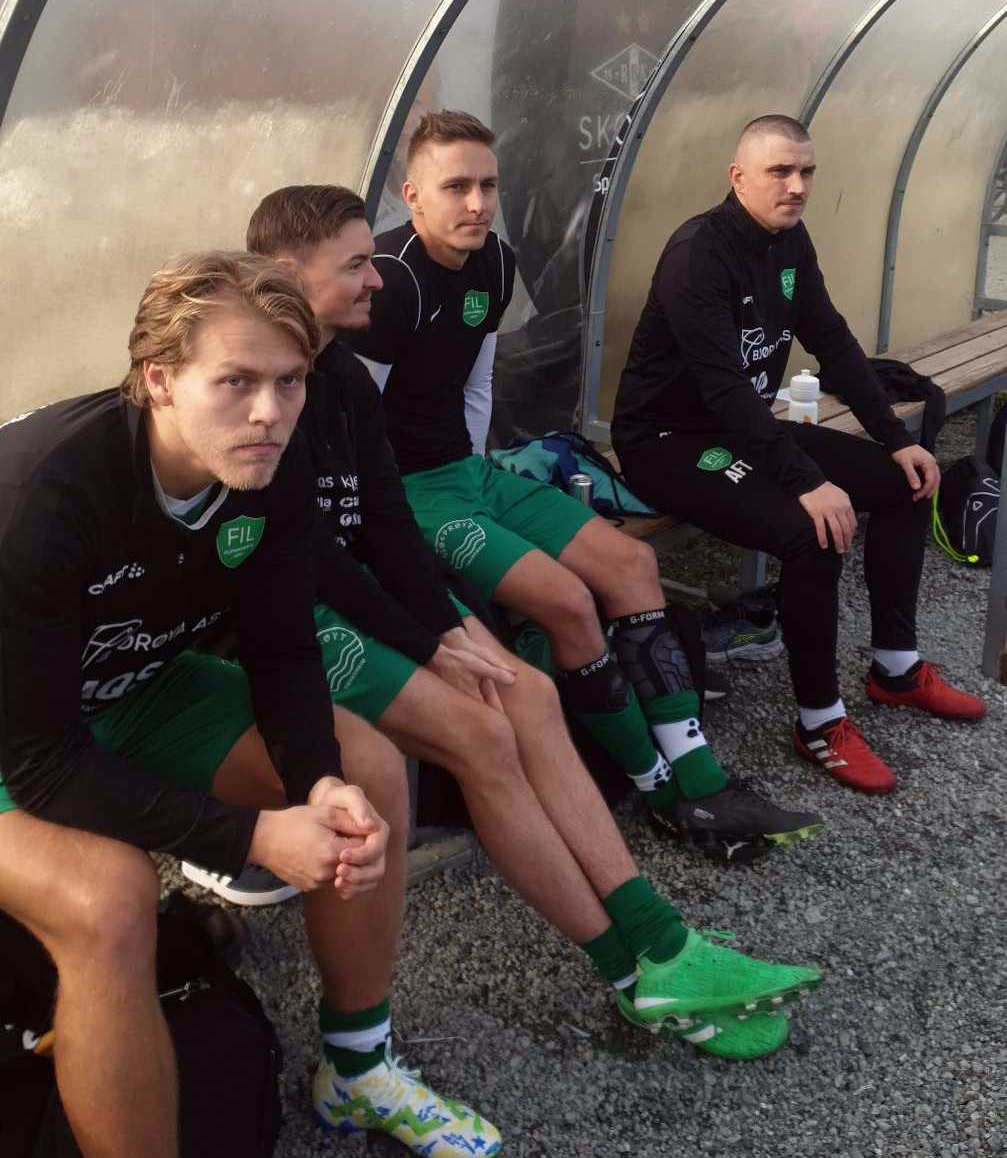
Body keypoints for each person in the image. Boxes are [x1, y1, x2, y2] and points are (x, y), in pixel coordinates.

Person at [241, 184, 825, 1097]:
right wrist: (433, 638)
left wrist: (444, 622)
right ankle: (634, 975)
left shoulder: (341, 374)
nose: (375, 280)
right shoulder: (259, 391)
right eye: (355, 264)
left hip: (367, 585)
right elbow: (305, 560)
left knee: (532, 692)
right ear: (283, 275)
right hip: (295, 617)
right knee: (484, 731)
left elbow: (385, 522)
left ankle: (665, 939)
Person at [0, 252, 405, 1158]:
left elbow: (281, 647)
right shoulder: (40, 496)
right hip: (15, 734)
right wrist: (255, 839)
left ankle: (357, 1067)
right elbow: (41, 762)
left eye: (290, 381)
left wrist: (317, 783)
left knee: (363, 766)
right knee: (109, 898)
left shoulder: (269, 459)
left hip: (124, 687)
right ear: (158, 379)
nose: (269, 413)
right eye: (236, 382)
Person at [343, 109, 821, 859]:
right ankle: (660, 789)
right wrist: (384, 526)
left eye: (488, 185)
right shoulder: (388, 280)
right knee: (568, 600)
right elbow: (353, 420)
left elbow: (475, 383)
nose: (476, 203)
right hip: (405, 491)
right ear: (413, 196)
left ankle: (700, 776)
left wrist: (476, 467)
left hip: (468, 473)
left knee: (632, 564)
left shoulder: (495, 263)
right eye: (456, 187)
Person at [612, 114, 985, 796]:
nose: (795, 186)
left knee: (906, 484)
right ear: (738, 177)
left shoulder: (788, 241)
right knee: (812, 531)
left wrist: (896, 438)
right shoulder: (699, 252)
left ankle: (894, 669)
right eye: (779, 172)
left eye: (805, 171)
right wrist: (805, 480)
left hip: (743, 427)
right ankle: (818, 722)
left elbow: (832, 342)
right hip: (670, 443)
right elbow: (722, 387)